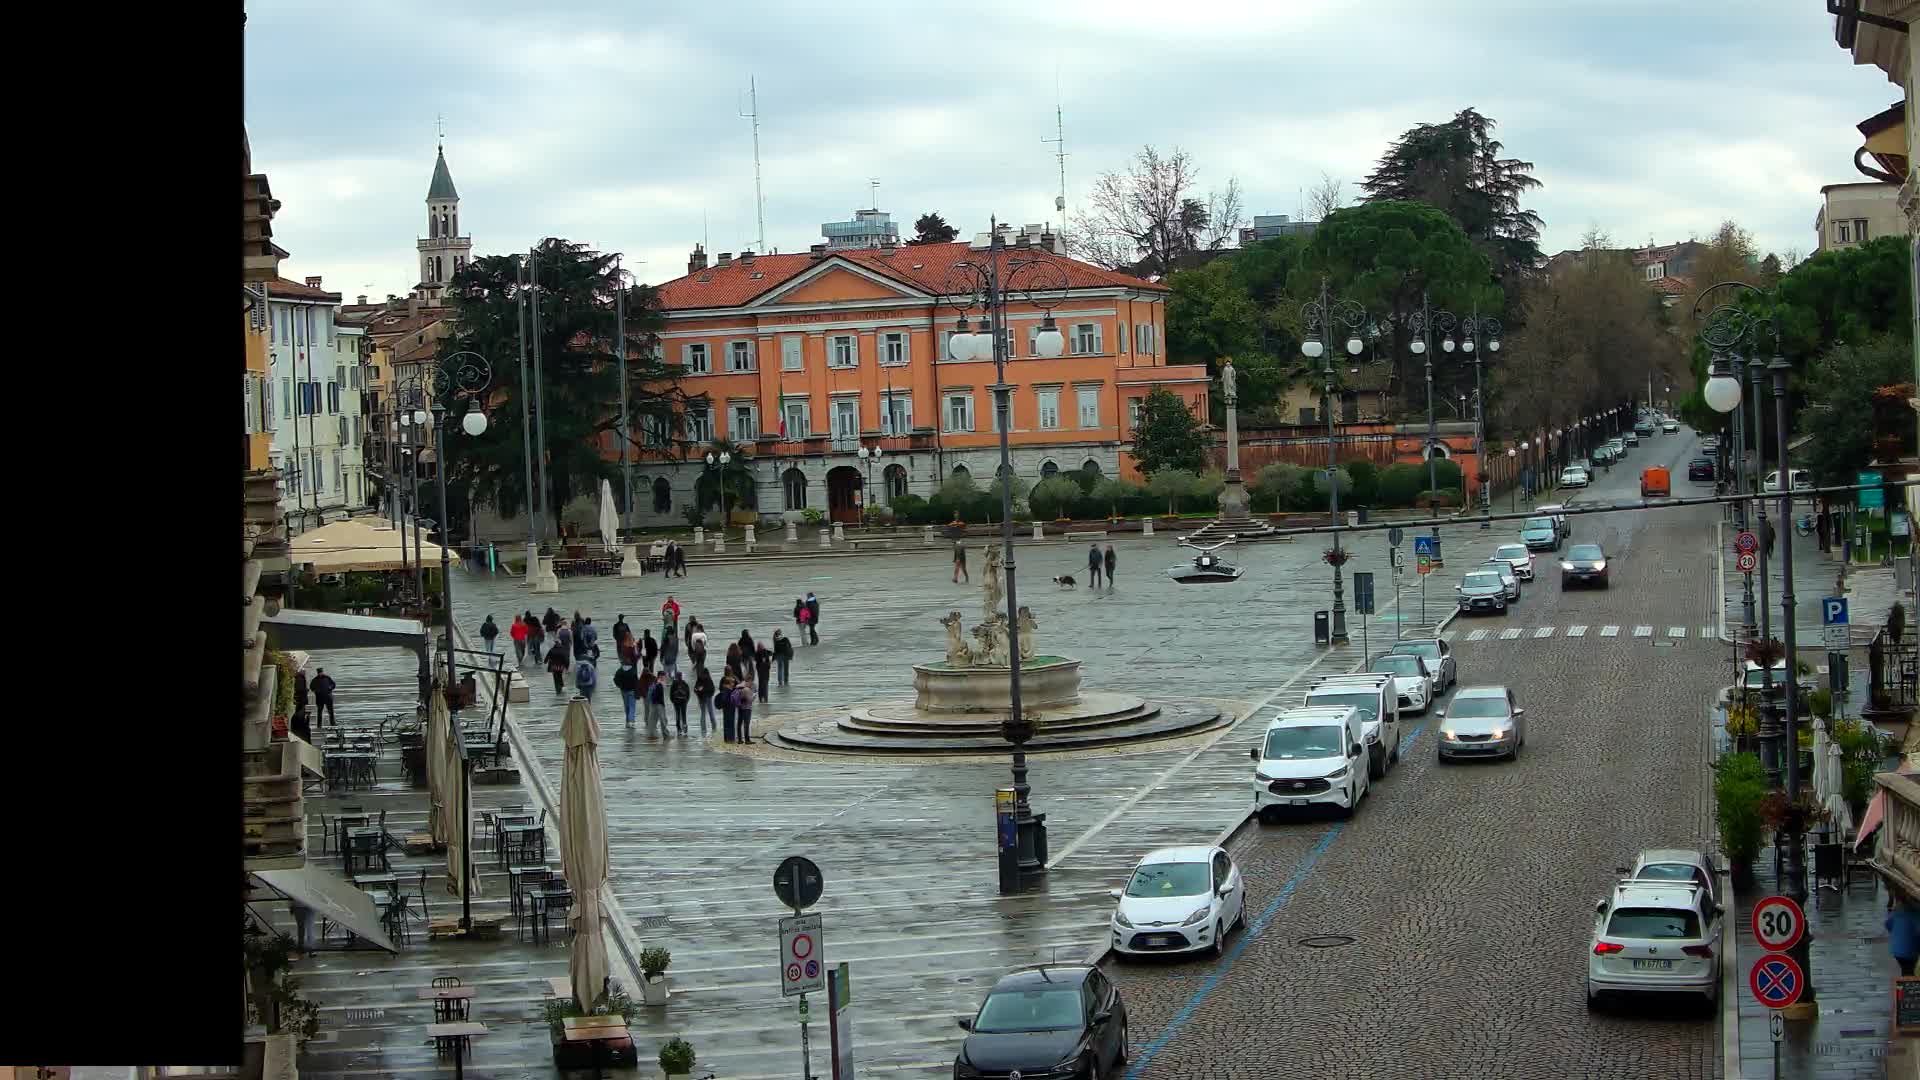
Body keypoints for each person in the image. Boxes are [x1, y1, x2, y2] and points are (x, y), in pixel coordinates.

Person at [614, 660, 641, 727]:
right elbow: (636, 682)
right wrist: (638, 690)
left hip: (624, 691)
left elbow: (615, 679)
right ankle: (631, 721)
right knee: (632, 706)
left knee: (626, 706)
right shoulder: (633, 671)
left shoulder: (620, 671)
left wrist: (620, 686)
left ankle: (627, 721)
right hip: (632, 691)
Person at [693, 666, 716, 733]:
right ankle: (714, 727)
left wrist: (699, 693)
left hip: (701, 698)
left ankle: (703, 729)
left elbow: (695, 689)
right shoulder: (709, 679)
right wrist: (710, 694)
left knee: (703, 713)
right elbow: (712, 689)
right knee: (711, 712)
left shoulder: (699, 679)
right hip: (708, 697)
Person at [719, 674, 738, 741]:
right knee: (730, 724)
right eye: (732, 683)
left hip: (728, 709)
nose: (733, 684)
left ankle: (727, 738)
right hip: (729, 709)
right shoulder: (727, 690)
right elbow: (726, 700)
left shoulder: (726, 690)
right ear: (729, 684)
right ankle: (730, 738)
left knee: (727, 723)